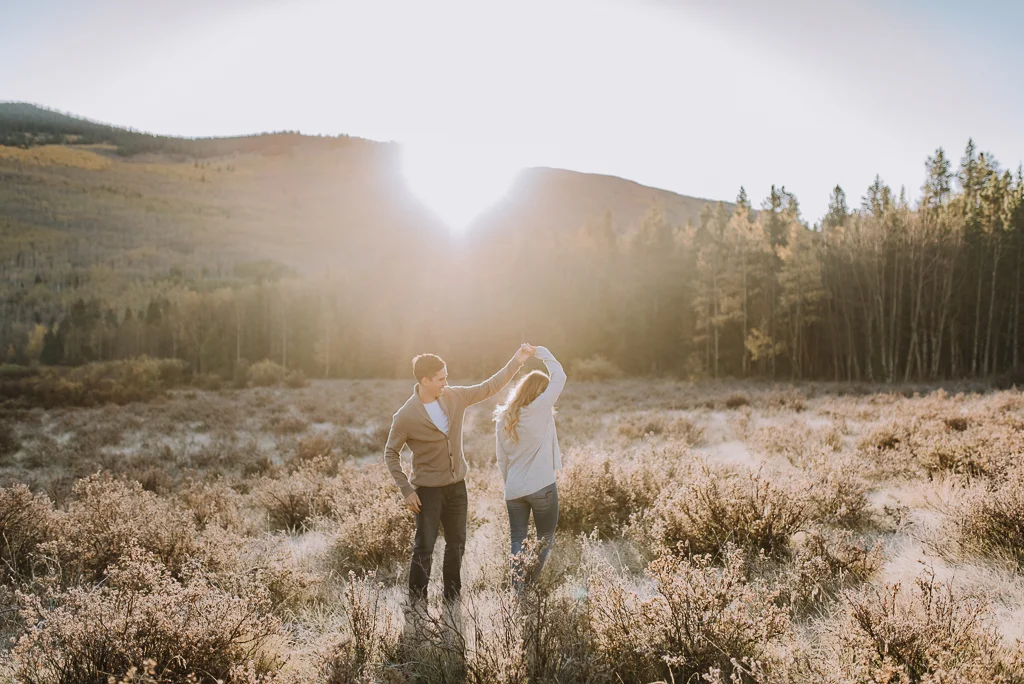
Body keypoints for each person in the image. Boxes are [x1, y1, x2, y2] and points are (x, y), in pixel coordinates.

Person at [384, 343, 535, 611]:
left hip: (457, 488)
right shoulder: (405, 416)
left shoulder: (455, 397)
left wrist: (517, 360)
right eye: (441, 378)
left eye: (446, 376)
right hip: (427, 492)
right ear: (425, 381)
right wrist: (407, 489)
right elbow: (390, 453)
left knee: (457, 545)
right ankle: (417, 603)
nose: (446, 382)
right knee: (424, 548)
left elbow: (490, 386)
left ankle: (452, 599)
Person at [493, 345, 566, 592]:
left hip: (513, 488)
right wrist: (542, 351)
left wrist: (511, 484)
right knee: (544, 540)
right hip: (542, 486)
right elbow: (560, 376)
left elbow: (501, 459)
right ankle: (529, 583)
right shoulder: (541, 407)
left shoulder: (504, 416)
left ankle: (518, 589)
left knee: (517, 540)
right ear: (541, 392)